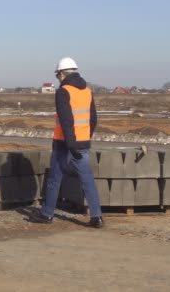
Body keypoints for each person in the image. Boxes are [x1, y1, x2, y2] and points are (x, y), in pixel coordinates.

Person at [29, 57, 103, 228]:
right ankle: (97, 217)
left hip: (65, 143)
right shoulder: (87, 91)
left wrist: (71, 144)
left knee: (55, 179)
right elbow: (93, 119)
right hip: (83, 142)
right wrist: (85, 137)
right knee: (87, 180)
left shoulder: (63, 92)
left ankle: (47, 214)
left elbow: (66, 120)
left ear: (62, 74)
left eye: (57, 76)